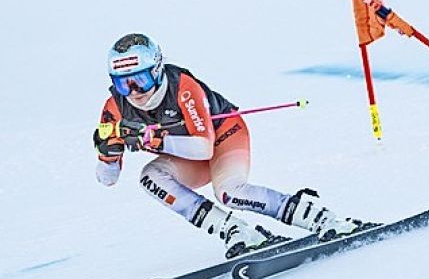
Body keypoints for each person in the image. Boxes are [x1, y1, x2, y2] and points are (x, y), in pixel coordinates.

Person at [92, 33, 371, 258]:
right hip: (186, 154)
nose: (134, 93)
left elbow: (204, 148)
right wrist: (108, 156)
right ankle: (234, 229)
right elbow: (107, 180)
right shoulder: (114, 107)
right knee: (150, 178)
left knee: (230, 192)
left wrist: (154, 139)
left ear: (157, 71)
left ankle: (321, 217)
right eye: (122, 84)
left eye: (140, 80)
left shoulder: (183, 87)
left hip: (224, 137)